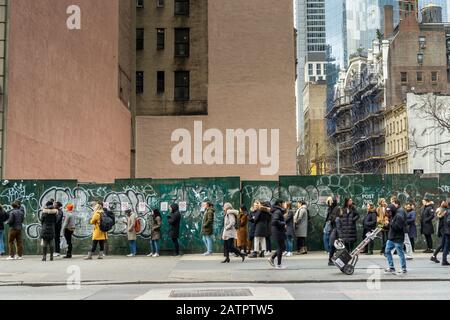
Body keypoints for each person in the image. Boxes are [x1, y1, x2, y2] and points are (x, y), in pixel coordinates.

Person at [384, 203, 407, 274]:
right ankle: (391, 267)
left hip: (398, 238)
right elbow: (391, 227)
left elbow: (398, 227)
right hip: (391, 238)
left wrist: (390, 223)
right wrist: (385, 225)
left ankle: (403, 268)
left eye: (389, 212)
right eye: (387, 212)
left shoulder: (399, 217)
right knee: (387, 251)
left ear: (393, 210)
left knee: (400, 253)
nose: (388, 213)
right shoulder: (391, 217)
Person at [268, 199, 287, 269]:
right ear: (280, 204)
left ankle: (272, 258)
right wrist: (284, 223)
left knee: (283, 247)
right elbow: (274, 221)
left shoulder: (277, 210)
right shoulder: (277, 211)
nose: (285, 204)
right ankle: (279, 264)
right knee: (281, 247)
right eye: (284, 203)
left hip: (278, 231)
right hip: (278, 231)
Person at [327, 197, 342, 266]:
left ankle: (331, 260)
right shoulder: (333, 210)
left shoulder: (332, 209)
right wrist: (340, 236)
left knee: (333, 246)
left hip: (333, 230)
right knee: (335, 246)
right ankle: (331, 260)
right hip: (334, 230)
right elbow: (338, 226)